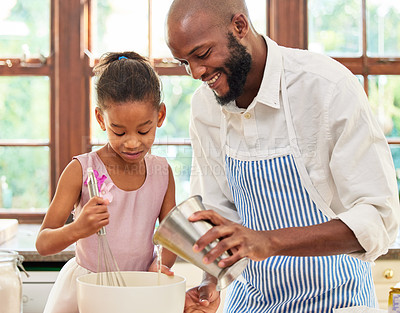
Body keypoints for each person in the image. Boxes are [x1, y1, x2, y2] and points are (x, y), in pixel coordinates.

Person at [165, 0, 400, 312]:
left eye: (203, 54)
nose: (195, 72)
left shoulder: (327, 88)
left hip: (339, 301)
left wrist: (269, 241)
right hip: (252, 303)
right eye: (184, 62)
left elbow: (377, 219)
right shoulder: (205, 107)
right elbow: (221, 214)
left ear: (240, 26)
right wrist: (210, 282)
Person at [35, 51, 177, 313]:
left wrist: (157, 267)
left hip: (138, 291)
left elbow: (172, 239)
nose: (132, 142)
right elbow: (43, 243)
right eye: (119, 131)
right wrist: (78, 228)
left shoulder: (162, 173)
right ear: (101, 119)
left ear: (160, 115)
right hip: (85, 293)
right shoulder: (80, 170)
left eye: (144, 130)